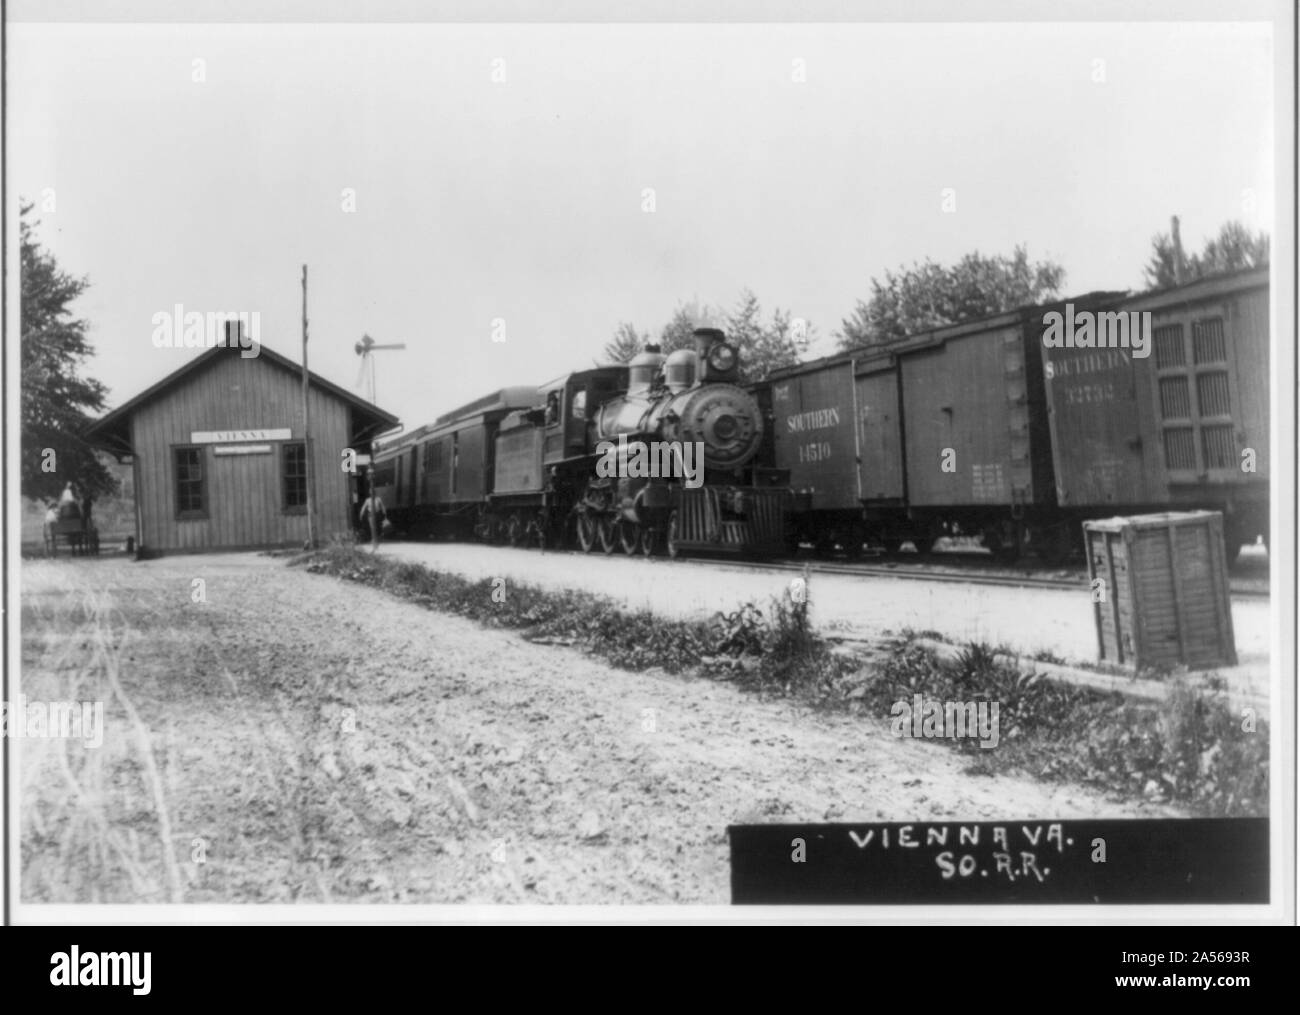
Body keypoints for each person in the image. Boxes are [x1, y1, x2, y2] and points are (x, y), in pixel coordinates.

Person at [358, 481, 387, 551]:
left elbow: (382, 507)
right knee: (372, 528)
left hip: (377, 515)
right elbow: (363, 508)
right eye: (371, 492)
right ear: (369, 493)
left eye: (373, 492)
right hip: (371, 515)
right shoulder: (367, 500)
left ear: (374, 492)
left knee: (377, 528)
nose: (372, 493)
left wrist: (385, 514)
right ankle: (374, 541)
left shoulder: (378, 499)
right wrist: (361, 514)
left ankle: (377, 540)